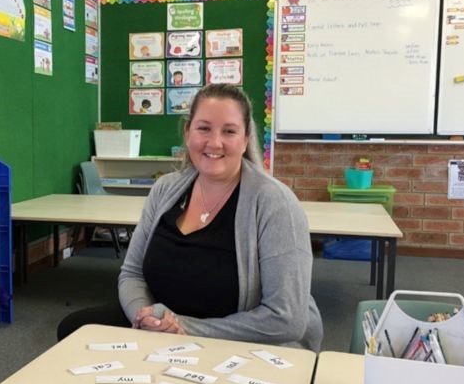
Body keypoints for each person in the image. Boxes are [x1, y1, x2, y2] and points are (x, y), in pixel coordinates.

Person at [57, 84, 323, 350]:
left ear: (245, 139)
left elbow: (286, 318)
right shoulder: (166, 189)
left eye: (229, 131)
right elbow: (132, 273)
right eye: (203, 128)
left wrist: (184, 328)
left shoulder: (275, 203)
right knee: (73, 332)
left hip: (236, 339)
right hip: (160, 327)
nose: (214, 142)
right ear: (188, 133)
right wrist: (146, 318)